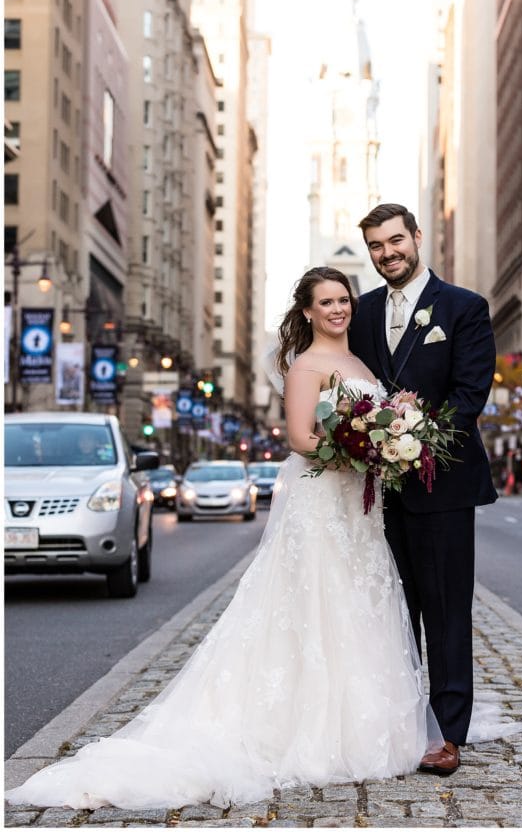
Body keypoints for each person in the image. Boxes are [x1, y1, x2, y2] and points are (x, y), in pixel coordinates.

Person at [5, 266, 438, 810]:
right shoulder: (307, 364)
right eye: (325, 302)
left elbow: (364, 420)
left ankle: (361, 720)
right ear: (306, 311)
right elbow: (302, 437)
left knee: (359, 601)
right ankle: (308, 727)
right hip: (323, 498)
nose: (337, 309)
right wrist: (365, 450)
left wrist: (391, 439)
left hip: (358, 505)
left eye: (343, 300)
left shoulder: (357, 362)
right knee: (314, 602)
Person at [348, 203, 498, 777]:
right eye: (376, 247)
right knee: (390, 612)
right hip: (375, 492)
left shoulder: (464, 308)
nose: (388, 254)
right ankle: (398, 725)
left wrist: (414, 432)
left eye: (395, 241)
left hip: (444, 489)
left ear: (416, 237)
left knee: (445, 613)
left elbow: (469, 394)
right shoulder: (359, 313)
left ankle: (450, 736)